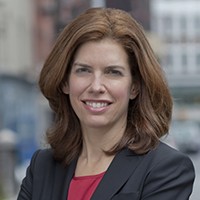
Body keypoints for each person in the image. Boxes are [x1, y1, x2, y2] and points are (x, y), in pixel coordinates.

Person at [17, 7, 195, 200]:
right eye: (83, 70)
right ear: (65, 81)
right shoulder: (42, 166)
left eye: (113, 72)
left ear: (134, 86)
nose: (96, 86)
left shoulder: (166, 169)